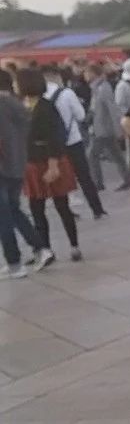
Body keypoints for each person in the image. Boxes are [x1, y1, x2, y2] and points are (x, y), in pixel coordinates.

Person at [19, 68, 79, 265]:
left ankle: (74, 245)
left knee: (62, 205)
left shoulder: (46, 107)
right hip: (32, 162)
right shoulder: (24, 105)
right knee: (36, 208)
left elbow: (54, 138)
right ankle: (44, 248)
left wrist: (53, 166)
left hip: (49, 161)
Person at [45, 66, 106, 220]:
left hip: (53, 145)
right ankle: (97, 209)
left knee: (60, 180)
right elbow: (80, 115)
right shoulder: (67, 93)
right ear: (56, 76)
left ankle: (68, 213)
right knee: (84, 176)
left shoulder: (40, 96)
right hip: (73, 141)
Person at [0, 70, 39, 279]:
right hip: (18, 164)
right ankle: (39, 246)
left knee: (3, 217)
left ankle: (14, 262)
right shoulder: (18, 105)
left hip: (3, 166)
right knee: (13, 210)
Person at [86, 62, 130, 191]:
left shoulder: (103, 88)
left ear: (93, 73)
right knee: (116, 155)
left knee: (92, 155)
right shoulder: (97, 87)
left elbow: (112, 109)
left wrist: (118, 129)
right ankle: (127, 179)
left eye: (87, 73)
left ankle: (98, 183)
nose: (85, 76)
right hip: (102, 127)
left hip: (103, 128)